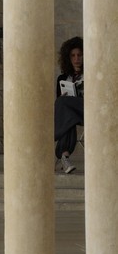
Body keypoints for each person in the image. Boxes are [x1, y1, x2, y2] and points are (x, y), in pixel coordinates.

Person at [54, 36, 84, 174]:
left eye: (79, 55)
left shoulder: (91, 73)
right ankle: (64, 157)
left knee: (63, 106)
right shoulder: (62, 78)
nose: (77, 58)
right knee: (67, 115)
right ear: (68, 57)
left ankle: (54, 135)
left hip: (88, 110)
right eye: (73, 55)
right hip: (73, 113)